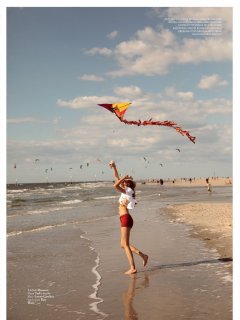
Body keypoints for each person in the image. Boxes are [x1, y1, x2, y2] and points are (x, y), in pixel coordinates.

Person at [109, 160, 148, 275]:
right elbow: (116, 178)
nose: (123, 182)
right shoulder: (125, 191)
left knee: (125, 244)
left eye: (125, 181)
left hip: (126, 218)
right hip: (125, 218)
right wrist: (114, 167)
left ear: (128, 184)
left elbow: (115, 185)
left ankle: (133, 268)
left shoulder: (129, 191)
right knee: (123, 244)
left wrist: (124, 178)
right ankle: (143, 255)